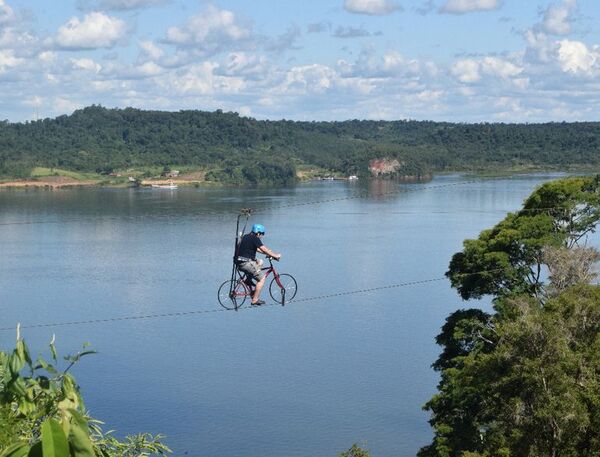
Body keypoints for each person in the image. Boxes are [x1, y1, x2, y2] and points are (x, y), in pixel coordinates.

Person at [236, 223, 281, 305]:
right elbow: (263, 248)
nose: (262, 236)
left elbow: (257, 249)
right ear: (258, 233)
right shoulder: (255, 238)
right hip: (246, 263)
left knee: (260, 262)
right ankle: (255, 300)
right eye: (262, 234)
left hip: (239, 262)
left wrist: (268, 253)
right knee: (262, 279)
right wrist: (275, 255)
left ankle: (248, 280)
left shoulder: (246, 236)